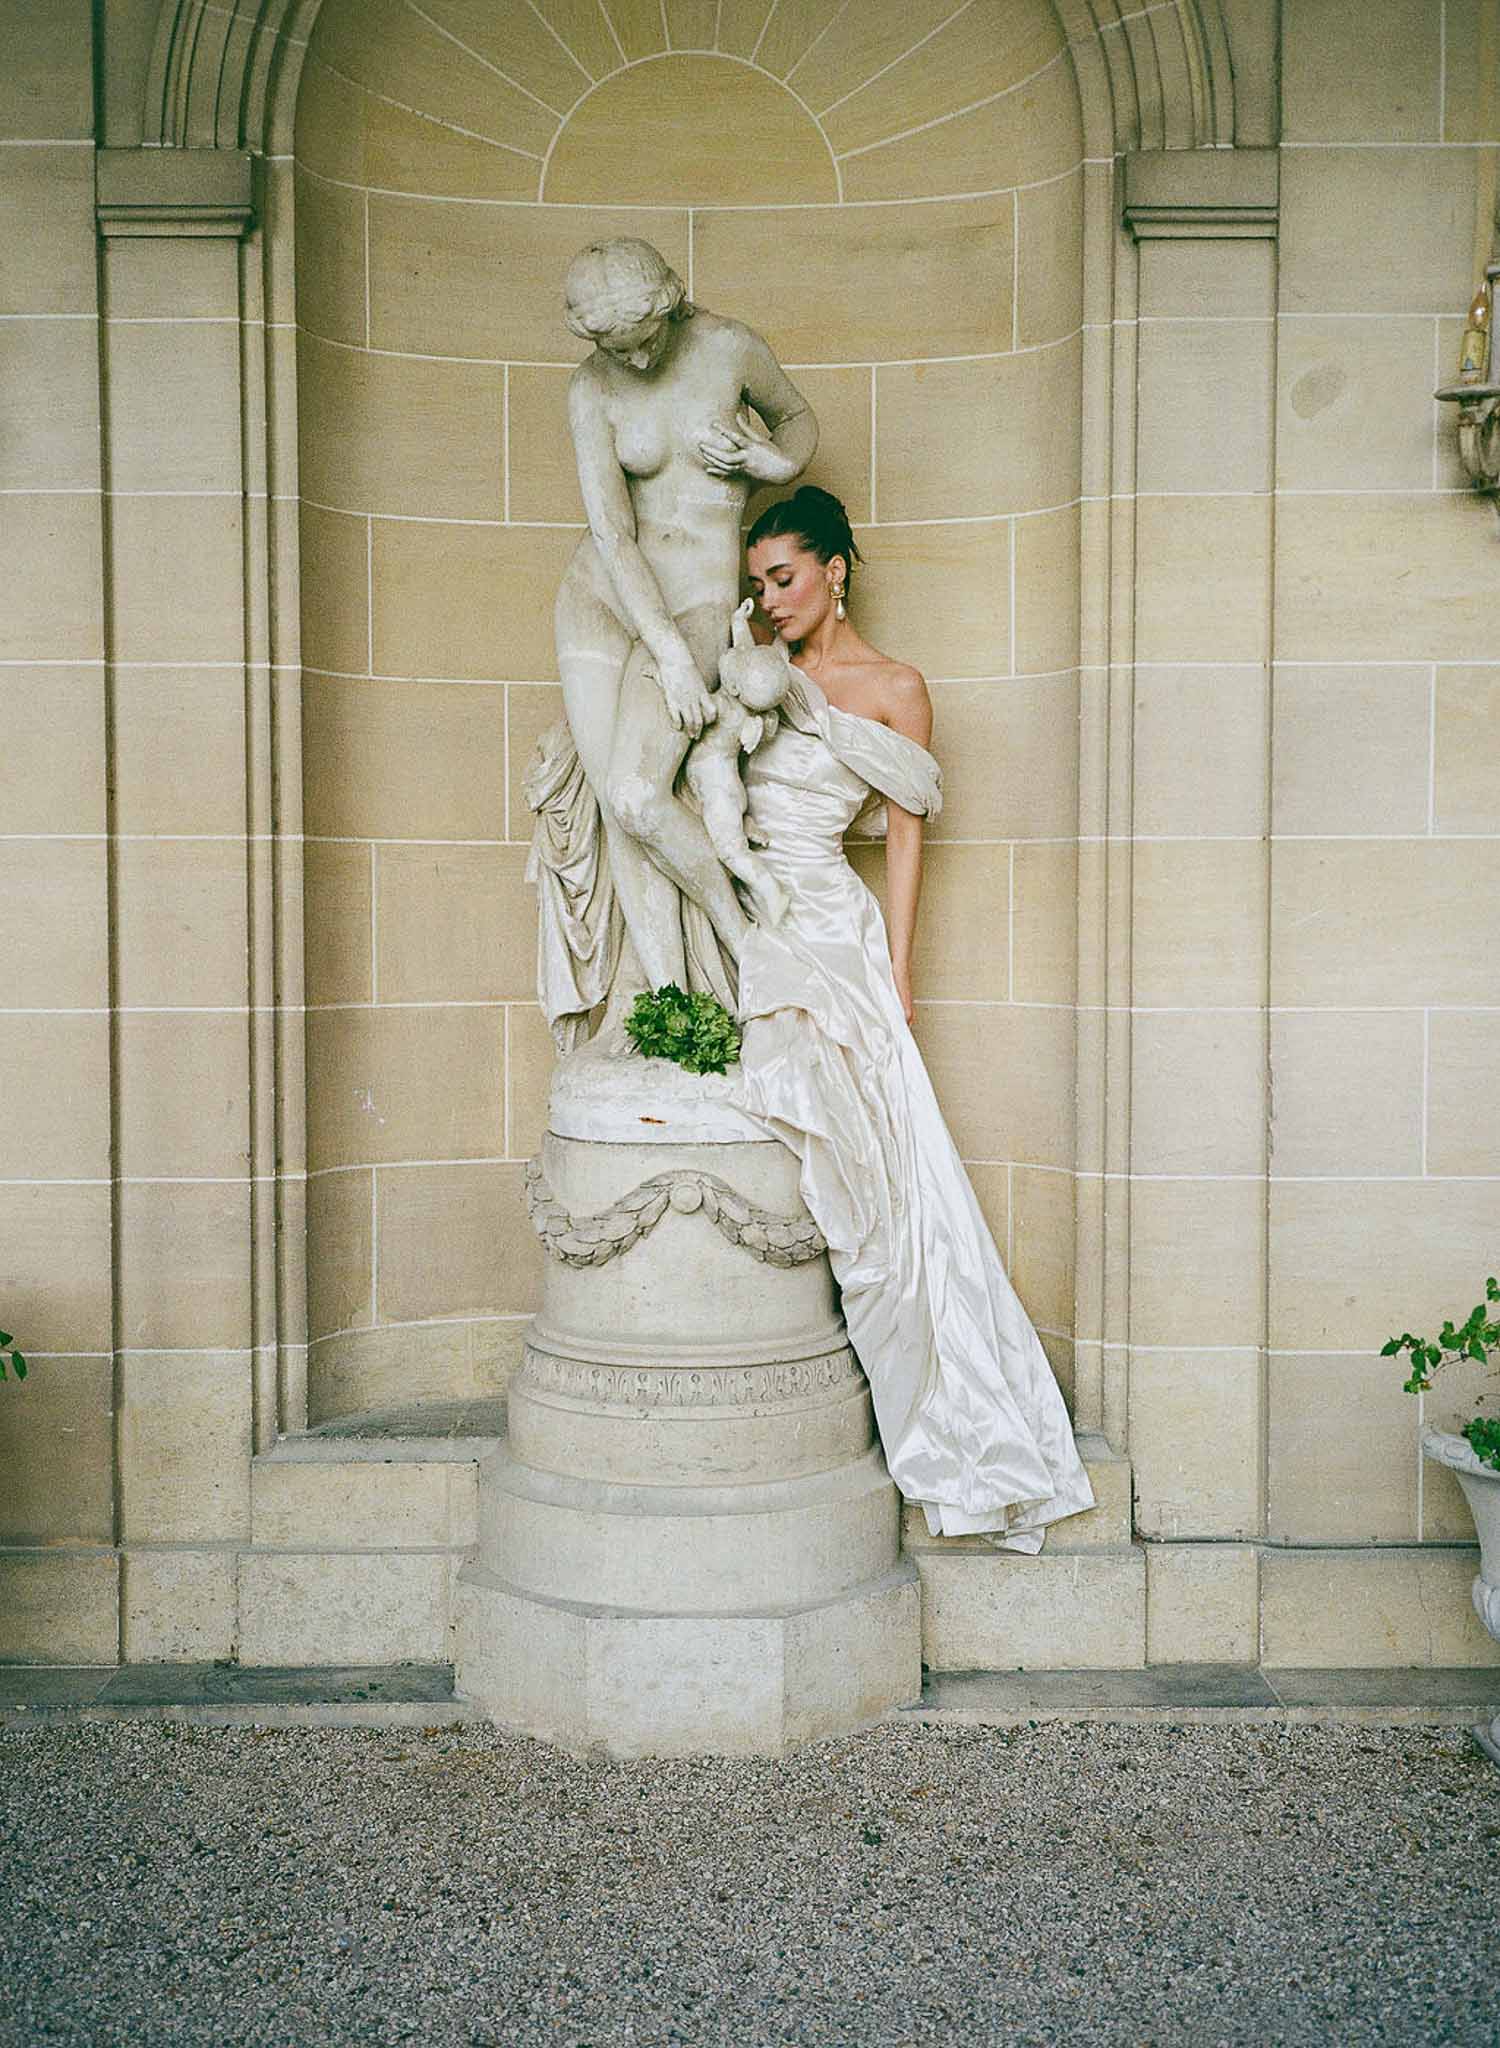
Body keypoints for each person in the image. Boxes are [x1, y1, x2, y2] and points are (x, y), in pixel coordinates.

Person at [736, 485, 1095, 1548]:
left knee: (887, 1180)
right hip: (744, 911)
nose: (770, 600)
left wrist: (897, 973)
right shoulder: (755, 674)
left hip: (827, 931)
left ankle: (959, 1418)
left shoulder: (895, 689)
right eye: (757, 582)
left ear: (836, 568)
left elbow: (901, 839)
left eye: (784, 577)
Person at [530, 238, 818, 1046]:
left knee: (635, 793)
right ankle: (666, 1015)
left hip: (696, 596)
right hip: (603, 597)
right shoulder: (591, 388)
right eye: (618, 348)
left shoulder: (729, 347)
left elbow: (797, 420)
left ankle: (741, 942)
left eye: (647, 335)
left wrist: (774, 458)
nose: (639, 356)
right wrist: (664, 655)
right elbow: (613, 534)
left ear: (669, 301)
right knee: (621, 812)